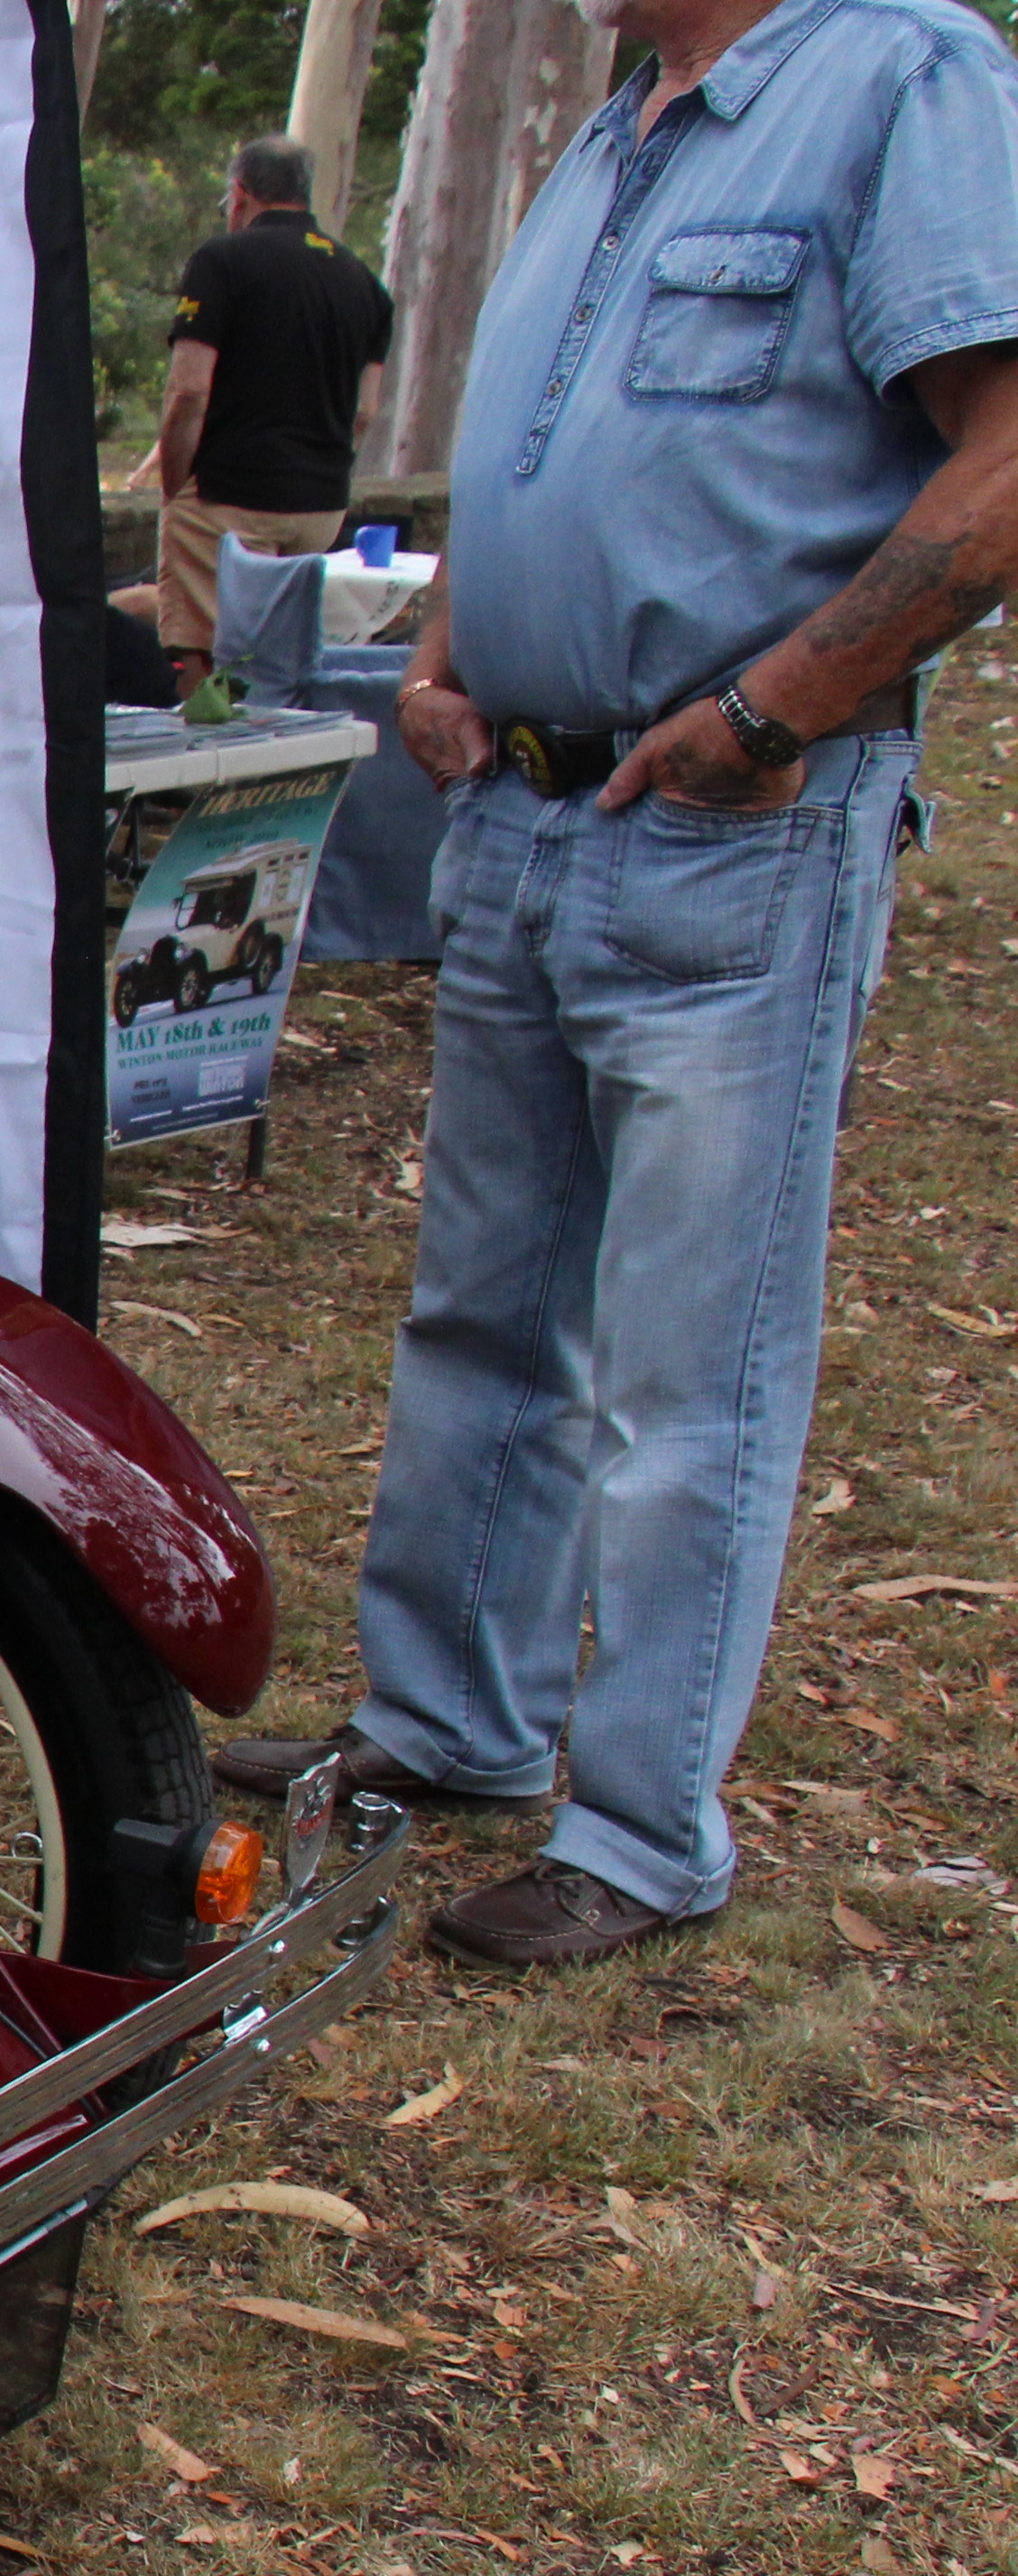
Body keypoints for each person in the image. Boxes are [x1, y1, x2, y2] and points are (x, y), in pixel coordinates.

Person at [212, 0, 1018, 1967]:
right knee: (483, 1306)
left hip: (734, 817)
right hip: (529, 809)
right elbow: (544, 448)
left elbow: (1003, 455)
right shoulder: (615, 133)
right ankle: (447, 1726)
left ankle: (646, 1832)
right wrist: (454, 649)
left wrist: (780, 706)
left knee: (689, 1362)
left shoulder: (898, 78)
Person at [145, 136, 394, 681]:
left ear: (239, 196)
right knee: (278, 657)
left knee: (205, 655)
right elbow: (365, 412)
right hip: (319, 508)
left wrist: (175, 483)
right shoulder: (365, 284)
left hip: (229, 495)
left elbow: (189, 391)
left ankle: (212, 751)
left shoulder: (220, 262)